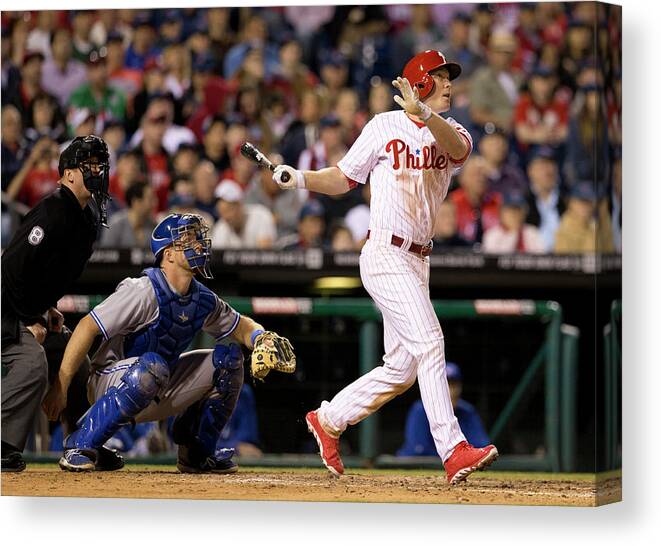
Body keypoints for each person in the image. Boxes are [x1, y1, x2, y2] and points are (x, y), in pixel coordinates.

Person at [270, 50, 497, 484]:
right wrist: (300, 178)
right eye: (441, 77)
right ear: (421, 81)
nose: (449, 84)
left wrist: (426, 113)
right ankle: (453, 450)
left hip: (419, 259)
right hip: (385, 252)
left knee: (401, 369)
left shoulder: (451, 128)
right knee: (431, 343)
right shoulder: (382, 126)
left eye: (450, 78)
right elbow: (344, 177)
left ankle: (329, 419)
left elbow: (458, 148)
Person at [42, 213, 295, 473]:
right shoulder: (142, 290)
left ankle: (196, 452)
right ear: (168, 254)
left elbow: (242, 326)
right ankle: (80, 443)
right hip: (109, 381)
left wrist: (260, 337)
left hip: (158, 384)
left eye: (198, 238)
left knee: (229, 360)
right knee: (153, 367)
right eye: (187, 239)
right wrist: (61, 385)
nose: (198, 244)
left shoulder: (202, 298)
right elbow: (87, 326)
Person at [1, 135, 111, 472]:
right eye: (88, 164)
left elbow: (44, 273)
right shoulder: (52, 210)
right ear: (67, 174)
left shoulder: (86, 218)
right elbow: (10, 268)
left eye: (99, 164)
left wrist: (45, 307)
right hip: (5, 308)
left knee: (76, 358)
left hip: (23, 307)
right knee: (32, 362)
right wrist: (29, 317)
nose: (96, 170)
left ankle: (83, 444)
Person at [397, 362, 490, 456]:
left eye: (454, 385)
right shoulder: (421, 409)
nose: (451, 391)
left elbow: (481, 446)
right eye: (445, 386)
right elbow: (419, 449)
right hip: (414, 465)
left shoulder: (467, 411)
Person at [211, 179, 276, 249]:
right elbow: (216, 257)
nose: (226, 217)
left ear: (239, 205)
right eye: (222, 212)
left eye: (228, 210)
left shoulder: (261, 216)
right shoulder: (220, 228)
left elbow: (265, 254)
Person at [99, 181, 157, 249]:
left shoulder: (153, 227)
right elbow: (105, 255)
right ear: (136, 202)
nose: (155, 203)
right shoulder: (115, 225)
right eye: (150, 199)